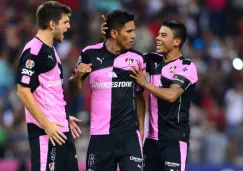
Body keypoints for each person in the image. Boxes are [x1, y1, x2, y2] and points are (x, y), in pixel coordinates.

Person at [69, 10, 146, 171]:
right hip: (100, 136)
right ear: (114, 33)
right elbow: (74, 90)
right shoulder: (89, 54)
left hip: (129, 135)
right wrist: (77, 76)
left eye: (134, 31)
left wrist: (141, 134)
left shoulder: (138, 59)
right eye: (129, 31)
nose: (133, 36)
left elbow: (140, 99)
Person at [16, 1, 81, 171]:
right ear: (52, 24)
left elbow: (50, 91)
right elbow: (23, 91)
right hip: (47, 134)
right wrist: (46, 124)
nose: (68, 26)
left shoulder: (51, 50)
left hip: (60, 131)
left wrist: (63, 116)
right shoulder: (34, 51)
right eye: (65, 22)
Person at [130, 21, 198, 171]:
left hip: (174, 141)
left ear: (177, 41)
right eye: (158, 34)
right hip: (152, 141)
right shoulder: (152, 60)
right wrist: (109, 37)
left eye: (163, 35)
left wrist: (145, 83)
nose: (157, 38)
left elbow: (172, 95)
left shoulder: (186, 66)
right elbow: (127, 58)